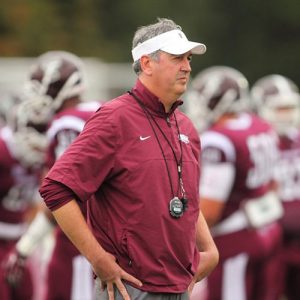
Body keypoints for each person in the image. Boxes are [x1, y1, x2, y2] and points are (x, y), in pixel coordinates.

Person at [39, 17, 219, 300]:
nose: (187, 66)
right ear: (146, 64)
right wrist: (98, 258)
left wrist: (209, 249)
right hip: (130, 288)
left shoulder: (186, 126)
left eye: (187, 58)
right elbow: (55, 188)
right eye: (177, 58)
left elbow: (185, 196)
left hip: (178, 285)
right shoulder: (114, 119)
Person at [4, 51, 101, 300]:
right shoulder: (101, 111)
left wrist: (25, 246)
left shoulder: (67, 123)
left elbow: (60, 195)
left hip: (81, 246)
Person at [187, 66, 283, 300]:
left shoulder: (218, 140)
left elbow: (210, 211)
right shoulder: (259, 125)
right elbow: (272, 185)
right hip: (267, 229)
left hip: (233, 237)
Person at [251, 74, 300, 300]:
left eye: (289, 107)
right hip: (268, 237)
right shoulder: (252, 144)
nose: (286, 114)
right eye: (279, 108)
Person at [0, 100, 47, 300]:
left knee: (26, 292)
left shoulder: (39, 158)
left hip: (18, 238)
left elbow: (37, 203)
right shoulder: (3, 150)